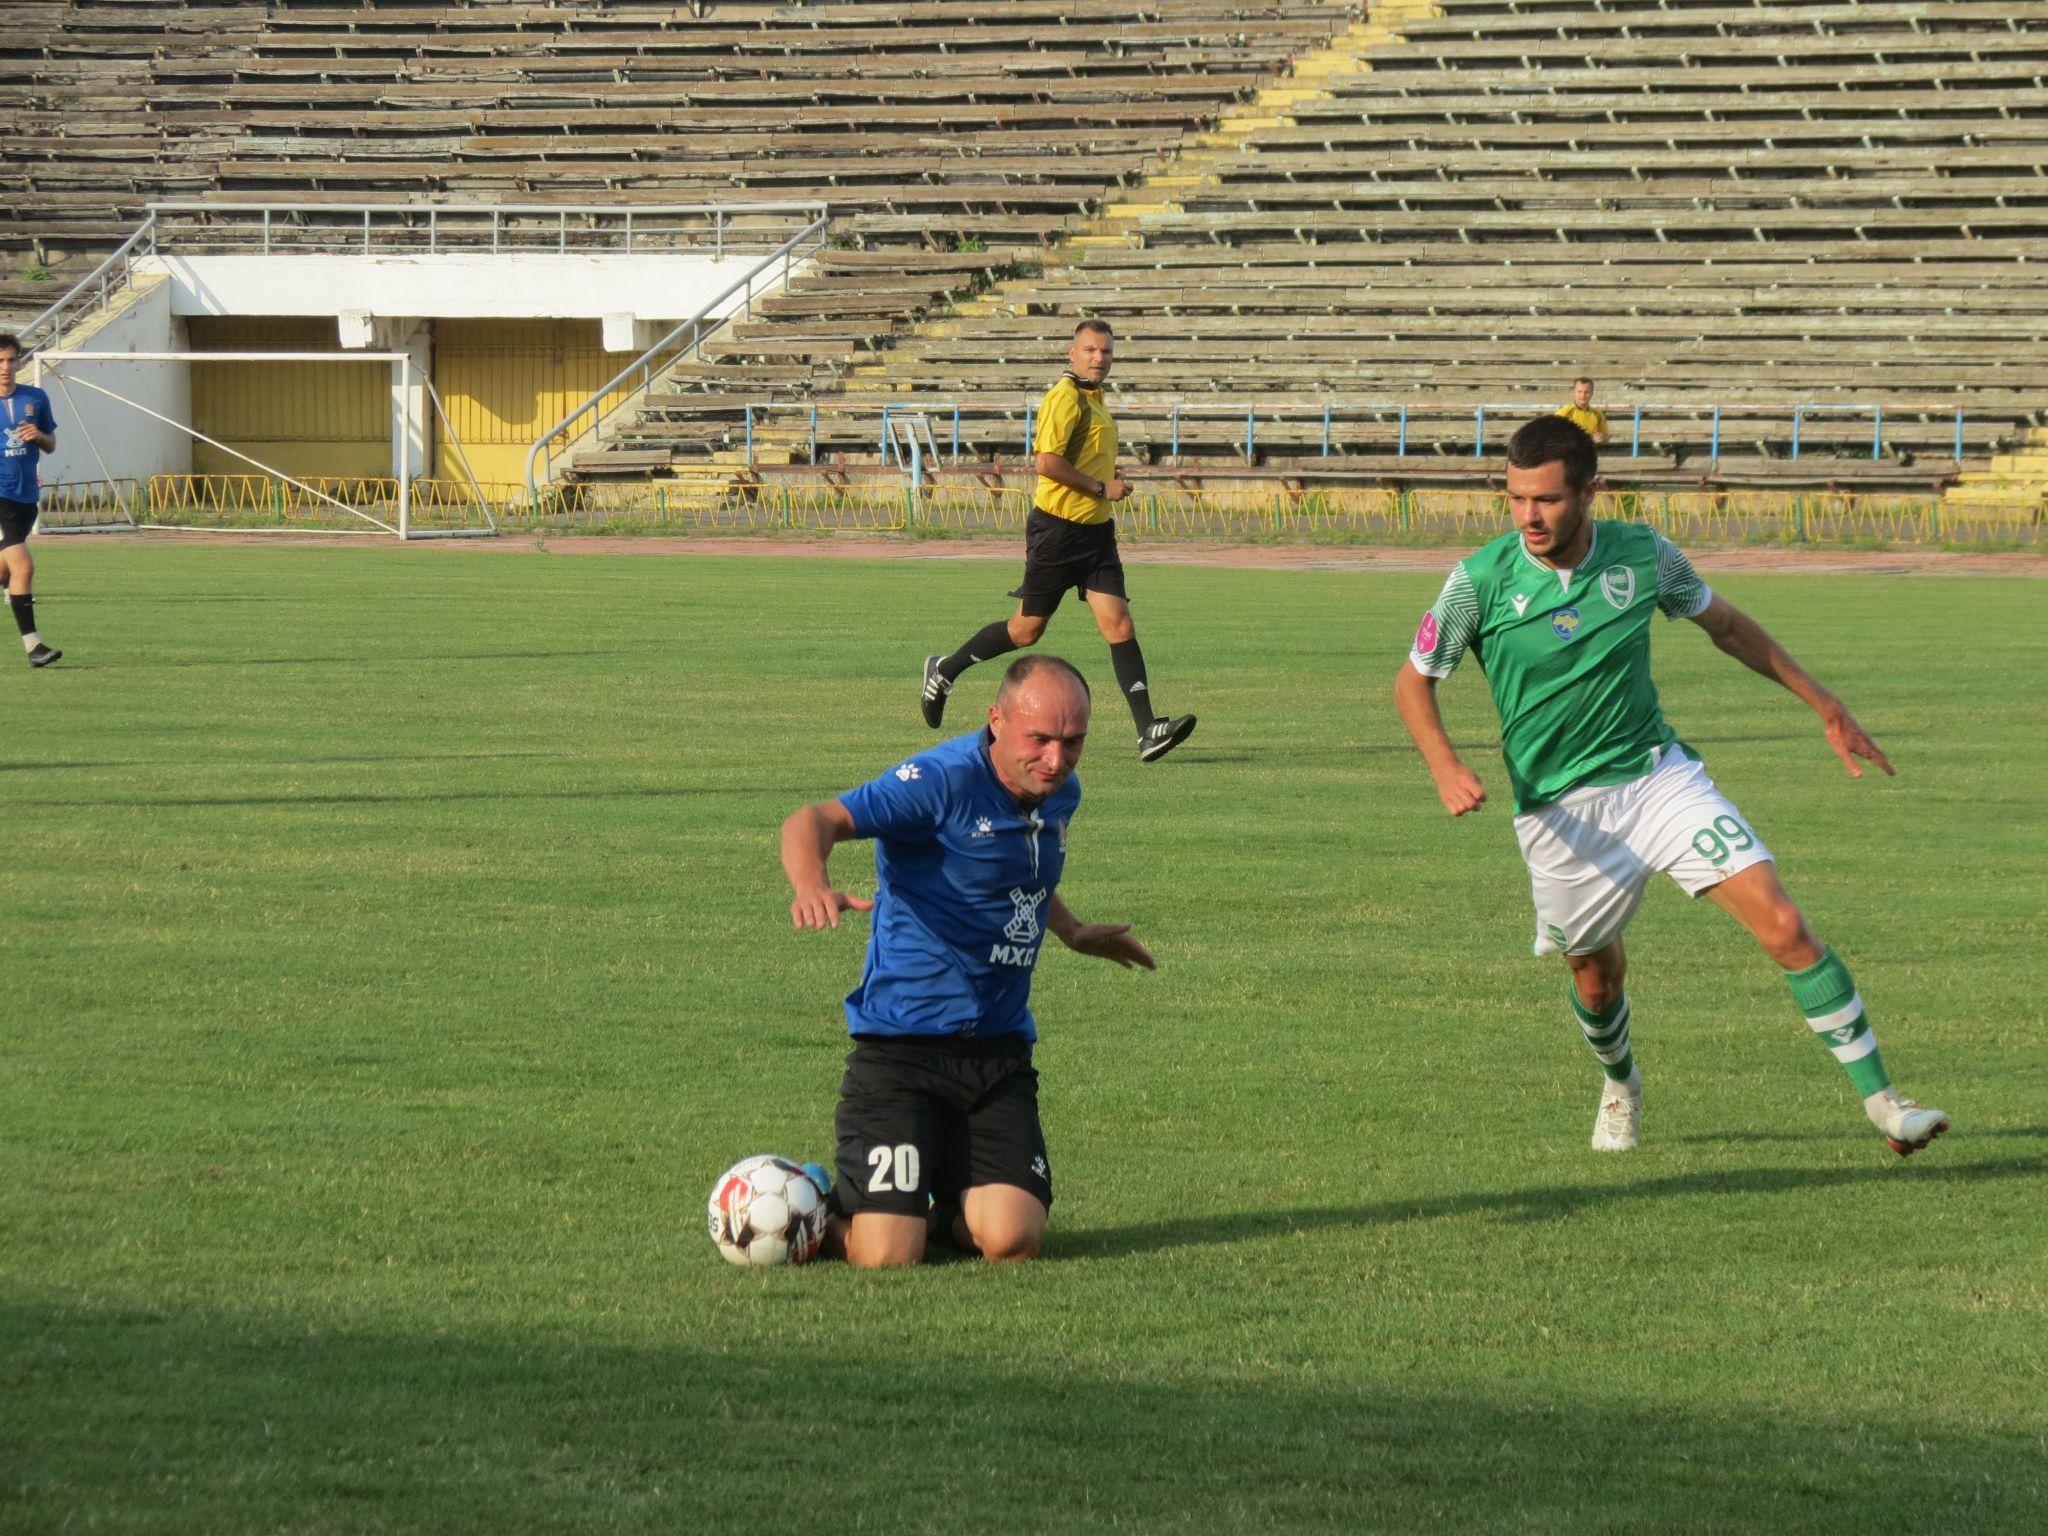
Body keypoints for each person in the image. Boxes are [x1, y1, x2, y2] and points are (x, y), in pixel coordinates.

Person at [1392, 415, 1947, 1156]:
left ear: (1590, 491)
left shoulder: (1644, 555)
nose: (1528, 515)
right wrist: (1444, 764)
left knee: (1783, 923)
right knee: (1596, 980)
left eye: (1547, 499)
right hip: (1561, 816)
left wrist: (1827, 705)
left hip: (1658, 779)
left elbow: (1727, 626)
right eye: (1517, 497)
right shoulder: (1479, 580)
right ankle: (1621, 1082)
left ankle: (1885, 1104)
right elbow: (1413, 682)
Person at [782, 654, 1156, 1267]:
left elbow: (1019, 875)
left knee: (1012, 1240)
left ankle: (923, 1204)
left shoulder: (1059, 795)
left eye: (1073, 742)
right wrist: (811, 883)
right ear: (996, 720)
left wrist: (1071, 931)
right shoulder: (940, 781)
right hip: (900, 1052)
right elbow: (814, 819)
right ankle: (810, 1200)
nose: (1055, 761)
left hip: (996, 1056)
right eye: (1039, 740)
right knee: (884, 1256)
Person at [918, 319, 1196, 762]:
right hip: (1059, 530)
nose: (1098, 358)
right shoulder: (1064, 397)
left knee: (1120, 625)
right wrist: (1102, 488)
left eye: (1105, 351)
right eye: (1089, 350)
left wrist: (1106, 479)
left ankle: (1148, 730)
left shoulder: (1095, 397)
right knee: (1027, 629)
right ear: (1072, 353)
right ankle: (944, 670)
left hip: (1096, 532)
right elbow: (1046, 462)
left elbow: (1081, 458)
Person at [0, 333, 61, 667]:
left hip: (25, 498)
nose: (5, 367)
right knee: (23, 567)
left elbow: (51, 444)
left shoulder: (35, 398)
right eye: (0, 361)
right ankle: (34, 647)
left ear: (19, 362)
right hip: (0, 497)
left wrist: (38, 435)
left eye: (11, 360)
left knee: (5, 573)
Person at [1555, 376, 1610, 445]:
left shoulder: (1597, 414)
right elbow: (1552, 437)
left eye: (1586, 392)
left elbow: (1606, 437)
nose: (1583, 396)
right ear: (1574, 392)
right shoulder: (1563, 413)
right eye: (1579, 392)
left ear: (1592, 393)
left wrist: (1603, 438)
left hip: (1589, 453)